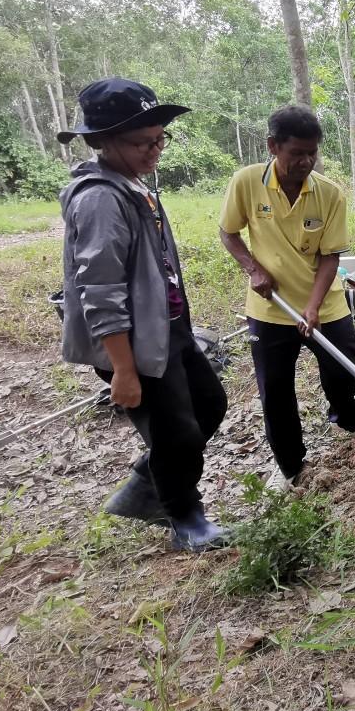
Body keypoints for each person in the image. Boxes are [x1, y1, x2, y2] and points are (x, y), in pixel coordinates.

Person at [58, 78, 229, 551]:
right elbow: (100, 289)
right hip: (133, 342)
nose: (155, 150)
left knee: (209, 404)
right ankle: (184, 520)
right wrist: (124, 370)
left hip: (167, 328)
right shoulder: (99, 198)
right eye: (142, 143)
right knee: (177, 432)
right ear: (101, 141)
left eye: (160, 139)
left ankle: (146, 484)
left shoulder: (131, 184)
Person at [219, 105, 355, 491]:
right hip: (270, 310)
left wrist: (313, 307)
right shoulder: (246, 183)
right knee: (276, 390)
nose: (306, 161)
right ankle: (291, 465)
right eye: (297, 152)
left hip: (324, 303)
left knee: (345, 367)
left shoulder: (329, 193)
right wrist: (253, 268)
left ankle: (348, 428)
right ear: (273, 146)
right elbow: (229, 233)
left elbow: (331, 256)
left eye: (312, 152)